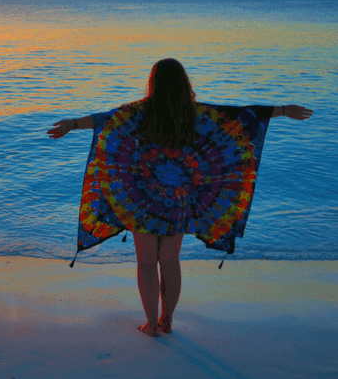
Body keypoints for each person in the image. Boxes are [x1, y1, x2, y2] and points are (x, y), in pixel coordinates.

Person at [47, 58, 313, 337]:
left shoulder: (139, 112)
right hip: (179, 199)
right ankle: (168, 320)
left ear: (153, 82)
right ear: (184, 83)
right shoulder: (197, 113)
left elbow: (106, 119)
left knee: (147, 263)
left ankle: (150, 325)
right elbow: (243, 115)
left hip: (143, 200)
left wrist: (72, 124)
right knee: (170, 262)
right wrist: (284, 110)